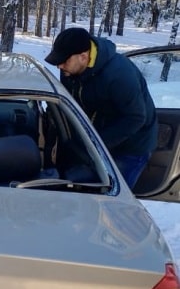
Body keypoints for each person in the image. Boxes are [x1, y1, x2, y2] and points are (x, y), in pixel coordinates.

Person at [44, 27, 158, 188]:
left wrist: (96, 145)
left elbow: (136, 118)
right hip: (97, 136)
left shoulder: (119, 75)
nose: (59, 66)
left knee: (113, 198)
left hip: (130, 146)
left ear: (84, 57)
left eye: (64, 61)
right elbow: (68, 100)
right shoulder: (70, 69)